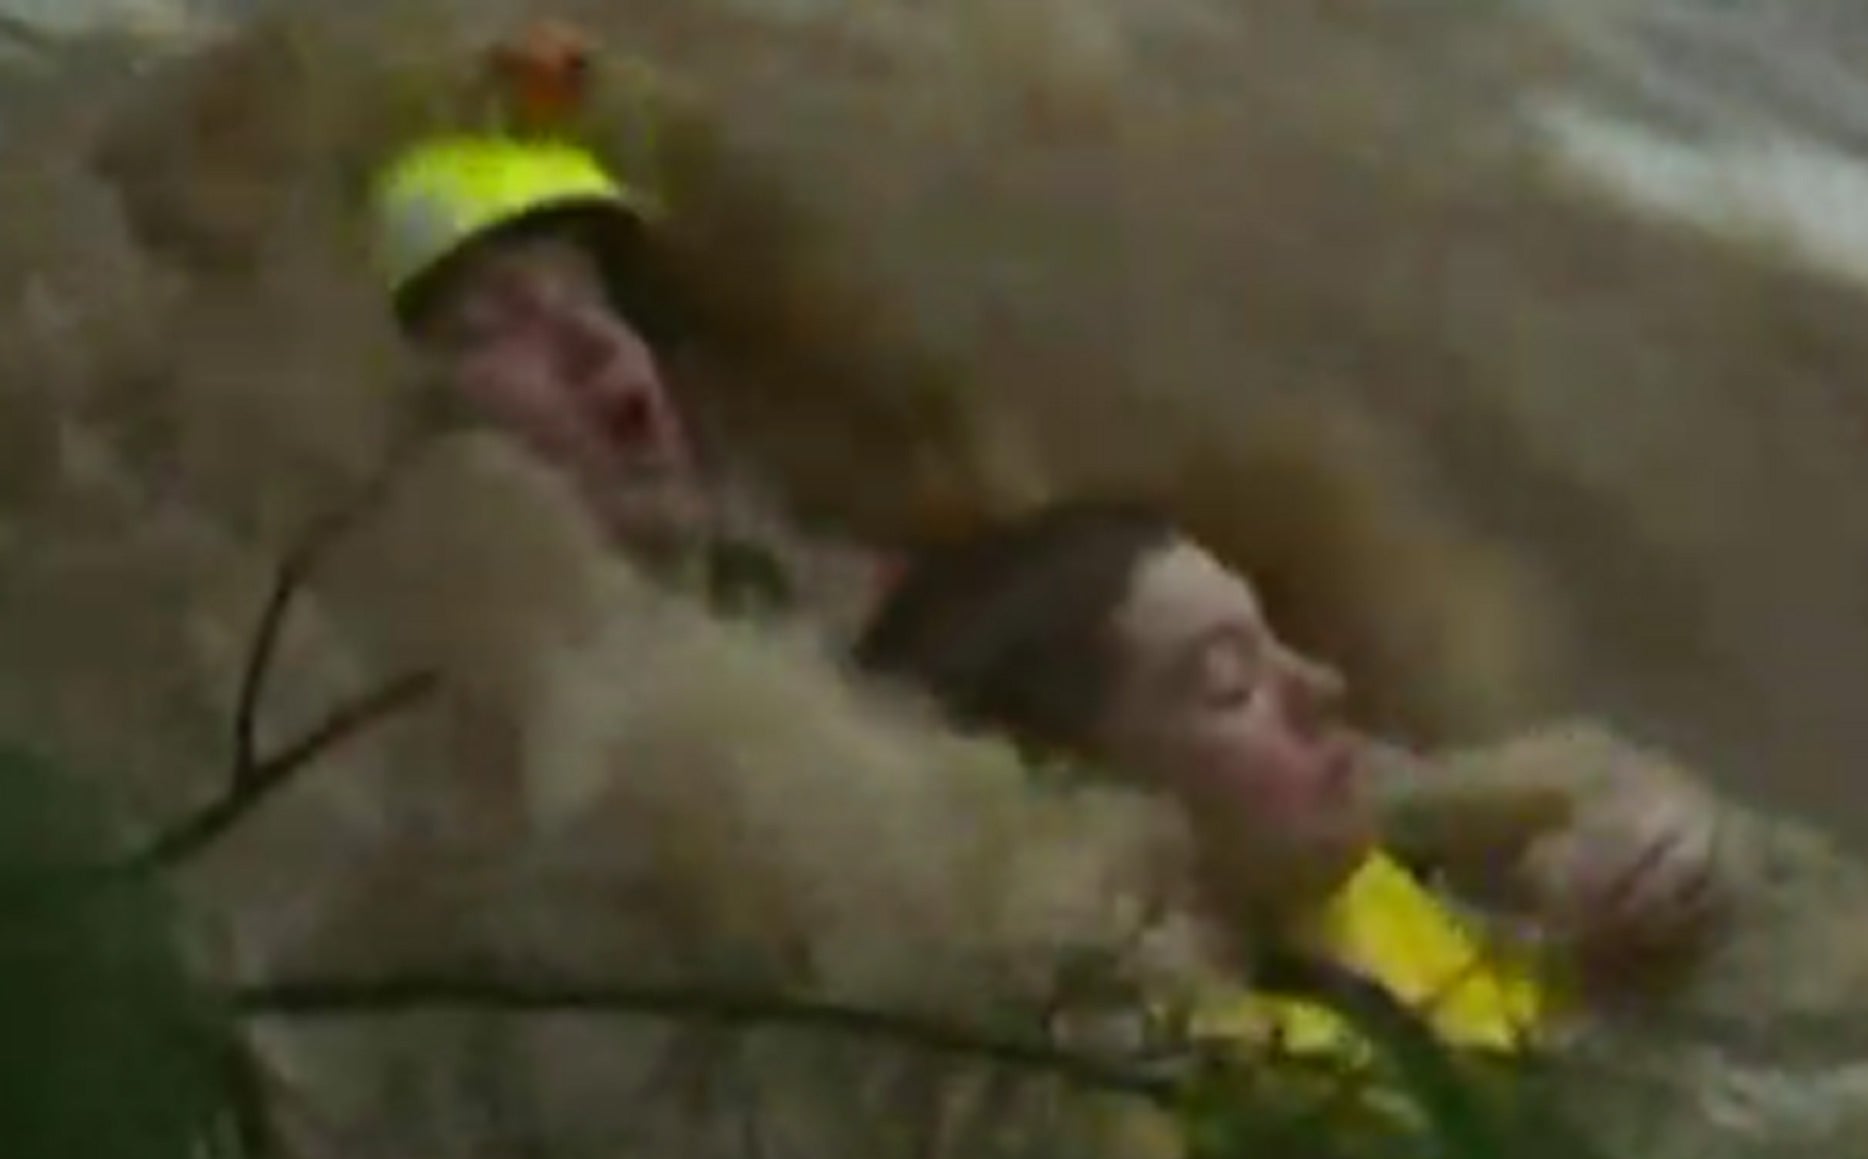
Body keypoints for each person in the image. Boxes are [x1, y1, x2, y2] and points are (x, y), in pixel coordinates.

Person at [859, 496, 1730, 1062]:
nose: (1323, 688)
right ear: (1093, 808)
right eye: (1230, 685)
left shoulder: (1364, 879)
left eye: (1276, 641)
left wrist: (1636, 901)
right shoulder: (1171, 1083)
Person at [363, 23, 926, 634]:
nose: (594, 343)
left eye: (595, 297)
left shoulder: (850, 603)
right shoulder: (459, 667)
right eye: (503, 323)